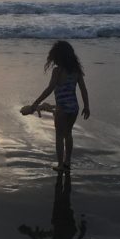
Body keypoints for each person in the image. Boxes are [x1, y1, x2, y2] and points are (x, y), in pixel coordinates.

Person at [21, 40, 90, 172]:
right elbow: (83, 90)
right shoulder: (76, 71)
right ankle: (67, 162)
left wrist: (36, 103)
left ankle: (60, 164)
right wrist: (87, 106)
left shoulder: (57, 72)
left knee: (59, 136)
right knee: (68, 134)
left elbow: (50, 89)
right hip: (74, 108)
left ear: (58, 57)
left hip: (62, 109)